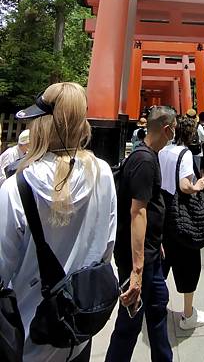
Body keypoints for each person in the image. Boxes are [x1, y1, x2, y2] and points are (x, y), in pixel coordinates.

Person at [0, 82, 117, 362]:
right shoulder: (102, 173)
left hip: (29, 335)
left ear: (39, 127)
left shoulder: (17, 188)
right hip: (79, 329)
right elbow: (107, 248)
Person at [105, 106, 177, 362]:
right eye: (174, 128)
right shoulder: (145, 160)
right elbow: (138, 212)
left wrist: (155, 242)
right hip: (139, 260)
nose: (175, 133)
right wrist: (136, 272)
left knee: (158, 308)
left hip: (150, 253)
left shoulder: (147, 155)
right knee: (130, 323)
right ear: (167, 129)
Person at [159, 116, 204, 330]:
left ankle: (153, 306)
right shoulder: (186, 153)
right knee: (189, 264)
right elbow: (184, 185)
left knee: (162, 263)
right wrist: (198, 185)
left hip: (163, 213)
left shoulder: (162, 151)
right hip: (182, 216)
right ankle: (188, 315)